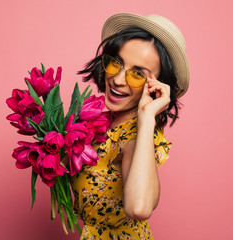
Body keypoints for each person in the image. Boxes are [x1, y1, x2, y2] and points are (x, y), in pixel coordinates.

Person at [71, 13, 190, 239]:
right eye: (116, 63)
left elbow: (139, 208)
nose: (117, 80)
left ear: (156, 86)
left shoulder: (134, 138)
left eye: (137, 74)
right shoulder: (100, 121)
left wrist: (146, 118)